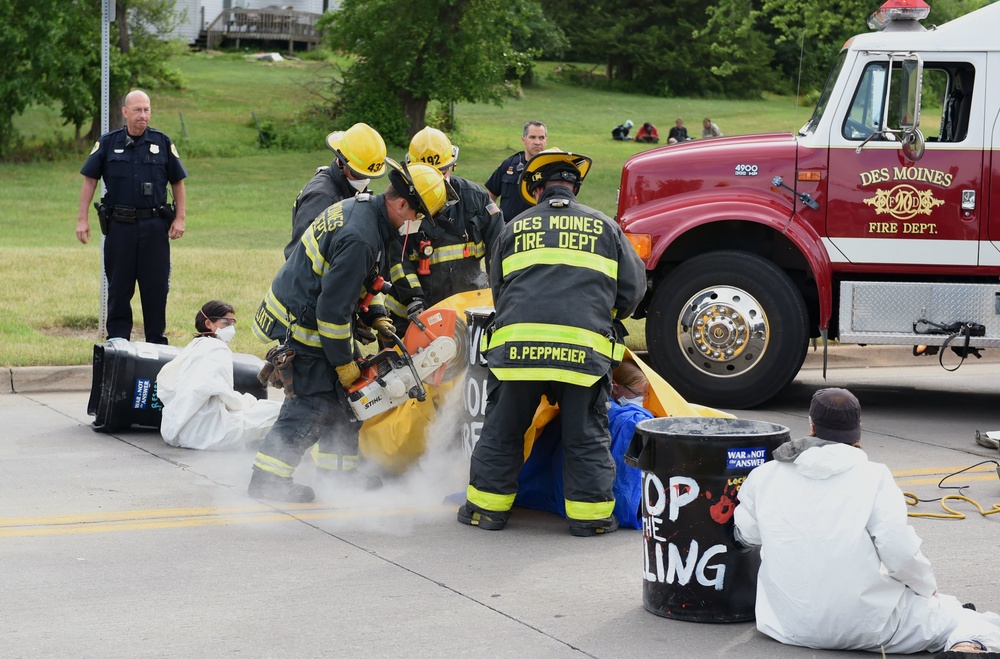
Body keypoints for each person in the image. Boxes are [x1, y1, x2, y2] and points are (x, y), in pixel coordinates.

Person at [458, 148, 647, 536]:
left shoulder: (513, 228)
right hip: (583, 355)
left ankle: (485, 511)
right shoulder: (605, 227)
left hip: (518, 352)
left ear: (535, 188)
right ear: (575, 186)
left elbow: (499, 292)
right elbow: (633, 290)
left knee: (503, 430)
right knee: (586, 434)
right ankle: (590, 519)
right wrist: (606, 314)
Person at [734, 387, 1000, 657]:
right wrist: (926, 587)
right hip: (864, 626)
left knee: (942, 609)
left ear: (811, 425)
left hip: (784, 624)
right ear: (858, 428)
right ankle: (967, 645)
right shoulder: (874, 477)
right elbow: (899, 552)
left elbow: (747, 535)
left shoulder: (764, 475)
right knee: (970, 620)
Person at [247, 161, 455, 503]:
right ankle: (268, 479)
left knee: (347, 401)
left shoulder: (369, 214)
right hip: (305, 326)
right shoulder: (361, 234)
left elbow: (362, 278)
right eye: (418, 216)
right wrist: (344, 365)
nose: (417, 226)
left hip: (319, 317)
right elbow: (332, 311)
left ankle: (339, 475)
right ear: (402, 204)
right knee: (314, 401)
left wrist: (376, 315)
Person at [77, 89, 188, 344]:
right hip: (120, 229)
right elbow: (89, 181)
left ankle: (156, 345)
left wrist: (180, 218)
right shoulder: (108, 143)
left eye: (147, 109)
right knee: (119, 288)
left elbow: (178, 183)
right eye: (137, 110)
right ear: (125, 112)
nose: (143, 115)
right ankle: (118, 344)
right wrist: (82, 219)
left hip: (154, 228)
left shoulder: (161, 142)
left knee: (156, 289)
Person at [384, 127, 503, 333]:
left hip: (467, 308)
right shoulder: (402, 206)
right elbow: (397, 258)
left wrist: (500, 293)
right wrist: (414, 299)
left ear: (453, 165)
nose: (436, 180)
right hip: (412, 313)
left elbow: (500, 248)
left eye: (442, 172)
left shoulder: (475, 199)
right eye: (428, 174)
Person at [515, 360, 653, 530]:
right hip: (589, 503)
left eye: (646, 395)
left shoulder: (588, 405)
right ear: (615, 388)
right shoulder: (630, 419)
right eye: (638, 393)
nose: (643, 399)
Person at [156, 300, 281, 450]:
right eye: (225, 323)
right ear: (208, 323)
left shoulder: (195, 346)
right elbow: (226, 396)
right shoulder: (217, 349)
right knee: (280, 411)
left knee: (262, 409)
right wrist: (248, 402)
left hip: (175, 430)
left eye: (233, 323)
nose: (231, 328)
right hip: (205, 433)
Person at [284, 123, 387, 259]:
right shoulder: (321, 197)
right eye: (358, 174)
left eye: (367, 175)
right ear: (342, 162)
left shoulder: (349, 188)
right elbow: (298, 255)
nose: (364, 180)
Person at [485, 120, 547, 223]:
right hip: (507, 229)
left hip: (537, 231)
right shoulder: (509, 164)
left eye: (541, 138)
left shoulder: (552, 168)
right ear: (523, 140)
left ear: (546, 141)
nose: (537, 142)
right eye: (532, 137)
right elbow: (490, 196)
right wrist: (494, 220)